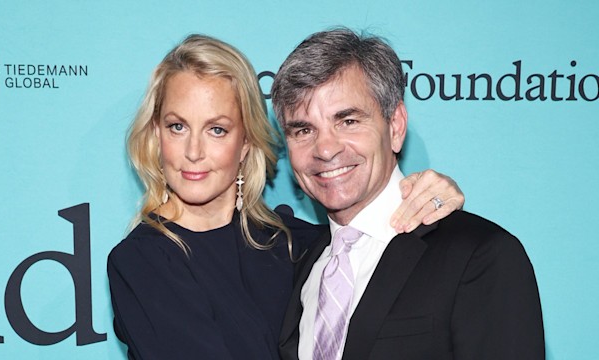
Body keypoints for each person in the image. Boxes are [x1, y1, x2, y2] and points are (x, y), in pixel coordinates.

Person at [107, 34, 464, 360]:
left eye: (217, 129)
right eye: (177, 127)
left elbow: (374, 230)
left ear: (246, 141)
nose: (194, 151)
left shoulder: (300, 246)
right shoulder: (141, 262)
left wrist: (428, 193)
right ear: (156, 134)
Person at [271, 28, 544, 360]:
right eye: (303, 130)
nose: (325, 149)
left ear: (396, 126)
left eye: (348, 121)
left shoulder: (479, 255)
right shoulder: (295, 263)